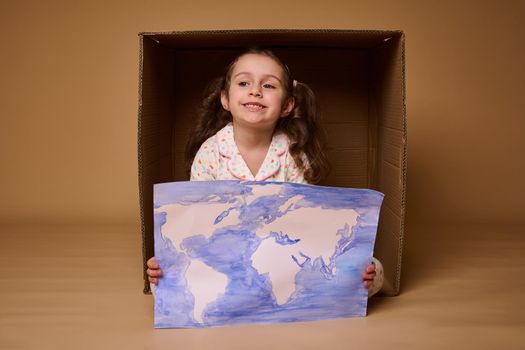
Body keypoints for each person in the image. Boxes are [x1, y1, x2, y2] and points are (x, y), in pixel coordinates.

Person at [147, 48, 384, 296]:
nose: (255, 90)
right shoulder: (210, 153)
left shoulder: (293, 155)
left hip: (281, 253)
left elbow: (308, 222)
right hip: (225, 252)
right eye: (243, 82)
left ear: (287, 105)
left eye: (269, 85)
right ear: (225, 99)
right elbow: (196, 219)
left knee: (364, 270)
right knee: (162, 278)